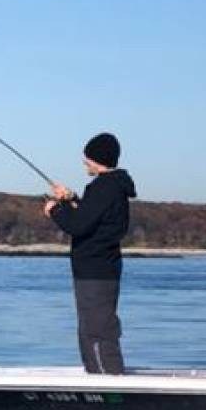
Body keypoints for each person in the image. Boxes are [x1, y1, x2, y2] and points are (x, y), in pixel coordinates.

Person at [43, 132, 136, 374]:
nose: (84, 162)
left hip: (96, 271)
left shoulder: (104, 188)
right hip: (98, 269)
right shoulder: (111, 187)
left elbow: (78, 226)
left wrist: (55, 210)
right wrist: (71, 198)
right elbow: (91, 215)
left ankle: (109, 384)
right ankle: (97, 376)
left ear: (98, 159)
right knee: (90, 328)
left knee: (97, 330)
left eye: (87, 158)